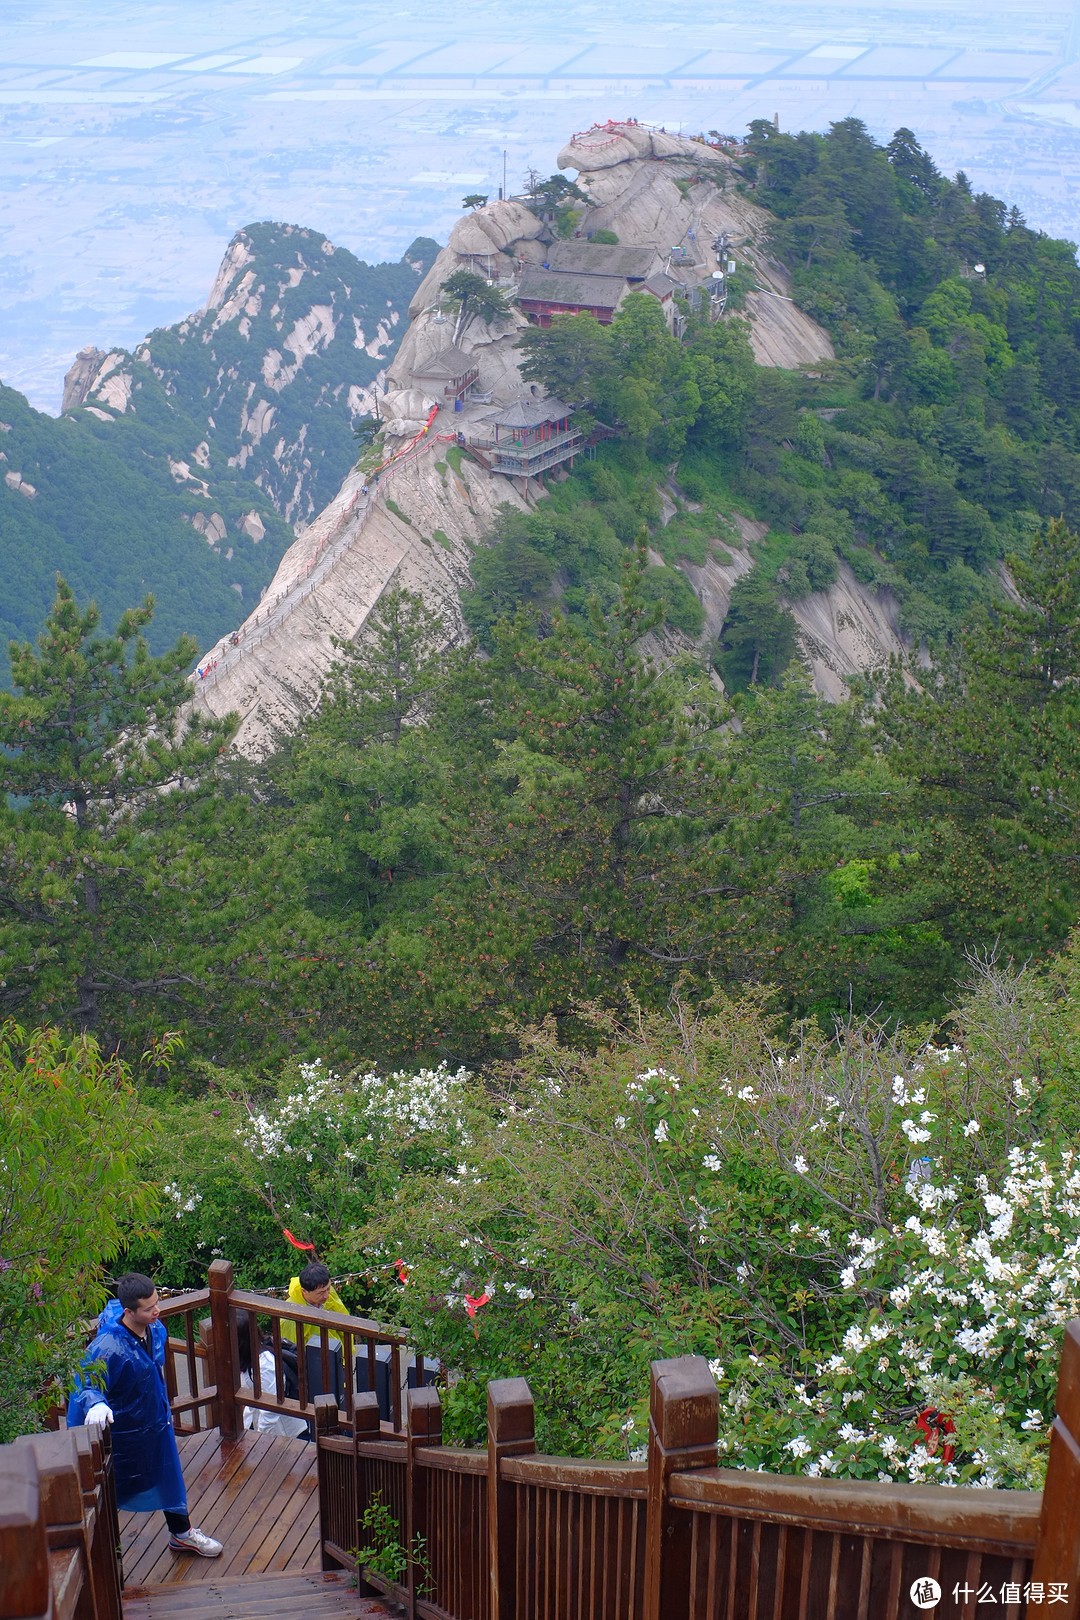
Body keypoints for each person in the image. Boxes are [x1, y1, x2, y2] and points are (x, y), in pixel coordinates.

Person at [67, 1273, 223, 1558]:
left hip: (154, 1423)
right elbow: (84, 1383)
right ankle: (103, 1551)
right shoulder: (108, 1348)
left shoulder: (154, 1329)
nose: (157, 1311)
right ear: (129, 1312)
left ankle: (182, 1534)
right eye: (149, 1308)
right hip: (120, 1433)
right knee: (108, 1489)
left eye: (157, 1303)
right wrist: (95, 1403)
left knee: (168, 1475)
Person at [235, 1311, 310, 1440]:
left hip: (287, 1435)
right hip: (269, 1430)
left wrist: (259, 1440)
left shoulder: (264, 1367)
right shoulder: (250, 1358)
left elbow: (271, 1410)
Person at [280, 1262, 347, 1351]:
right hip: (312, 1360)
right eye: (321, 1293)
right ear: (304, 1291)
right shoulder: (290, 1318)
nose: (326, 1295)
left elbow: (344, 1324)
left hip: (337, 1353)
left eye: (328, 1289)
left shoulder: (326, 1291)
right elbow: (291, 1352)